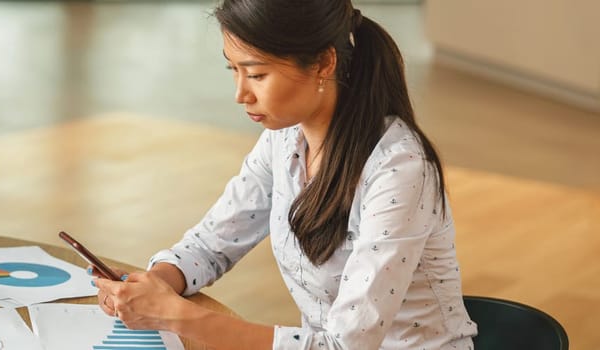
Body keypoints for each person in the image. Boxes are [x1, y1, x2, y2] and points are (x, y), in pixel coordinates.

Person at [90, 1, 477, 348]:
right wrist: (159, 281)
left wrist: (174, 315)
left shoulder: (401, 169)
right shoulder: (285, 138)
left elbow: (345, 346)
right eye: (234, 70)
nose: (241, 93)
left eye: (256, 75)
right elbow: (212, 243)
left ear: (325, 63)